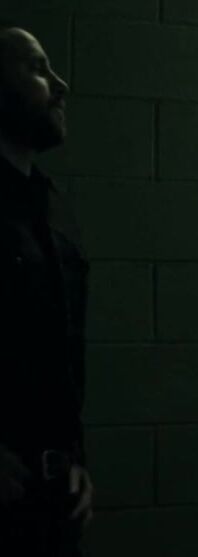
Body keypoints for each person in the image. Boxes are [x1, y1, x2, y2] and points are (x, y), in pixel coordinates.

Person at [0, 22, 93, 556]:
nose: (61, 85)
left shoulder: (54, 209)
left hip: (53, 504)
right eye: (38, 69)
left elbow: (60, 353)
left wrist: (75, 458)